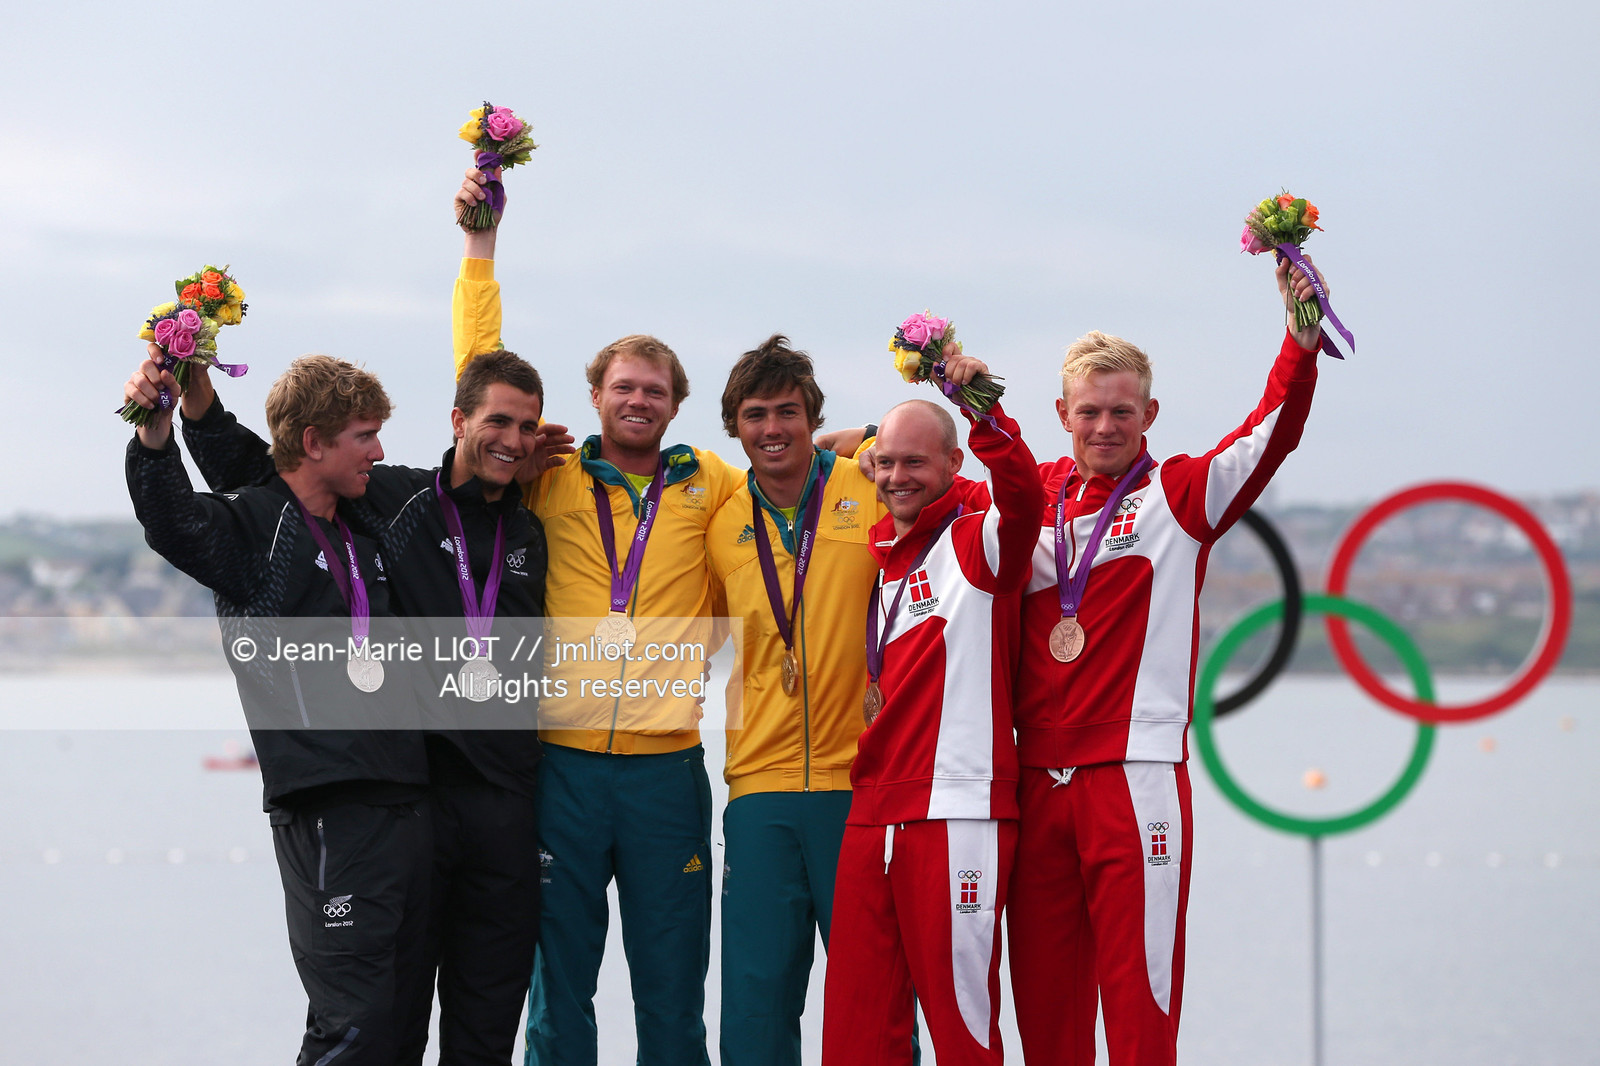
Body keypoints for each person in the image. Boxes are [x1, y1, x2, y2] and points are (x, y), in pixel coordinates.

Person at [171, 341, 572, 1064]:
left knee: (486, 1035)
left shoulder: (531, 529)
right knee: (391, 1028)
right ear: (458, 420)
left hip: (508, 807)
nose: (513, 440)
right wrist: (197, 400)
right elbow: (274, 474)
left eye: (526, 427)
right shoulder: (391, 499)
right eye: (498, 422)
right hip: (419, 803)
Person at [1006, 258, 1330, 1065]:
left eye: (1122, 412)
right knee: (1044, 1010)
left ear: (1149, 414)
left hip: (1135, 779)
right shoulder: (1028, 498)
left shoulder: (1179, 497)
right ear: (1061, 414)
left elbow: (1269, 434)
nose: (1105, 427)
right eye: (1089, 412)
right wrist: (859, 445)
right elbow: (929, 479)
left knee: (1139, 1002)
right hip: (1034, 782)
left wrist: (1299, 344)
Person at [455, 167, 741, 1066]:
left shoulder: (711, 484)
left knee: (673, 994)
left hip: (667, 774)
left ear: (676, 405)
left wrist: (860, 443)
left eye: (654, 390)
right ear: (597, 397)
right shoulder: (547, 477)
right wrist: (480, 249)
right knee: (557, 993)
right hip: (563, 769)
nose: (638, 401)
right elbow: (480, 377)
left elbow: (789, 474)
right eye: (624, 387)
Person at [123, 352, 432, 1065]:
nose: (379, 452)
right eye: (364, 436)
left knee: (400, 1029)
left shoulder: (359, 521)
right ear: (315, 442)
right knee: (352, 1027)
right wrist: (155, 432)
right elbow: (172, 520)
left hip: (409, 802)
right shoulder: (253, 529)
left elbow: (250, 456)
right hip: (328, 810)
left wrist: (201, 403)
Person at [819, 353, 1044, 1066]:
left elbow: (1024, 497)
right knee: (855, 1033)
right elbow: (838, 450)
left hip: (955, 813)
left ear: (955, 465)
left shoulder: (980, 543)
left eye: (914, 463)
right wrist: (861, 441)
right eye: (885, 463)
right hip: (872, 811)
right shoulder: (885, 555)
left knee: (961, 1032)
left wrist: (979, 406)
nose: (895, 477)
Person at [706, 336, 892, 1066]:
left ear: (813, 418)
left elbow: (934, 473)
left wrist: (870, 437)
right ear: (736, 426)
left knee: (874, 1003)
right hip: (760, 790)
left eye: (788, 411)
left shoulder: (869, 485)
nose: (772, 428)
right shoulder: (719, 519)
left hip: (864, 782)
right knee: (756, 1009)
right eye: (755, 415)